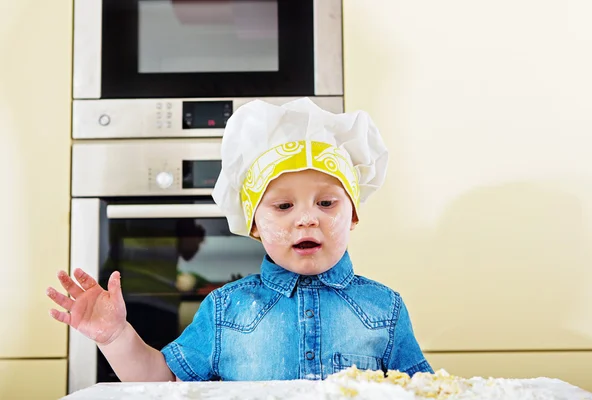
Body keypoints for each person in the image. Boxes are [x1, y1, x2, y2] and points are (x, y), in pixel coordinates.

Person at [46, 98, 433, 382]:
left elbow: (426, 392)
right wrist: (115, 337)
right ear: (253, 225)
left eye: (327, 202)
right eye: (283, 206)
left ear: (354, 214)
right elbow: (161, 383)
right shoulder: (224, 310)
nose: (306, 218)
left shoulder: (386, 308)